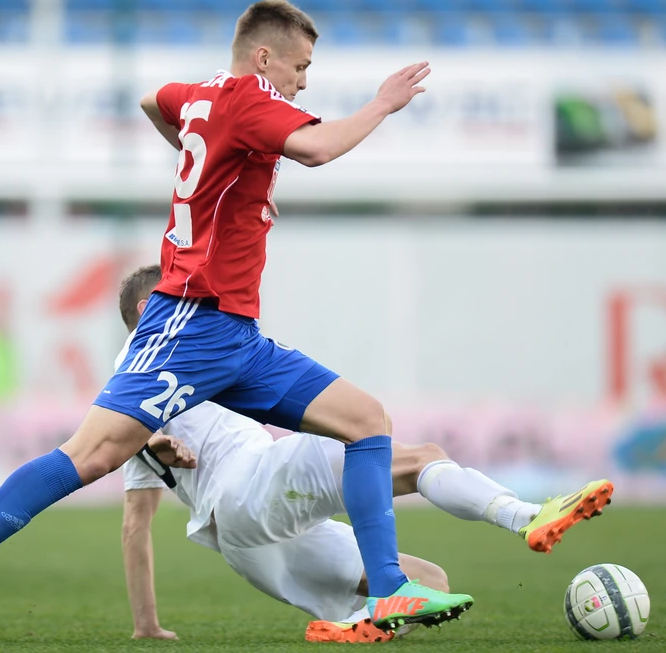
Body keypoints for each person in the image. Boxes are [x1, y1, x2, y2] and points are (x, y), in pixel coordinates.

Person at [0, 0, 604, 646]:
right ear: (263, 58)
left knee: (367, 421)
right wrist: (383, 103)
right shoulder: (248, 100)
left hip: (237, 334)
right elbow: (318, 149)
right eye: (299, 67)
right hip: (187, 322)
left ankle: (389, 588)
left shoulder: (203, 96)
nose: (303, 82)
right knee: (92, 457)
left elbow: (153, 101)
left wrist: (208, 172)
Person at [115, 266, 614, 644]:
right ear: (148, 308)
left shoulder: (141, 378)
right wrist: (152, 443)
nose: (196, 302)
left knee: (430, 583)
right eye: (181, 295)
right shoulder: (150, 357)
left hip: (248, 542)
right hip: (252, 484)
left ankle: (359, 623)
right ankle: (526, 516)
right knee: (406, 450)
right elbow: (134, 436)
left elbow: (135, 523)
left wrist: (146, 625)